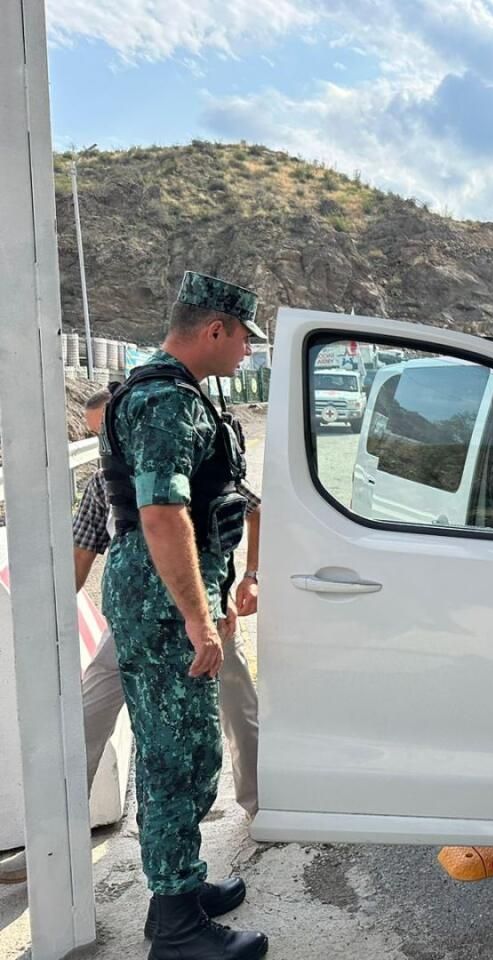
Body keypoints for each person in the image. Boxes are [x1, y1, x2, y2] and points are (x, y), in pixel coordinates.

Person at [0, 392, 262, 894]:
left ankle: (262, 808)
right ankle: (52, 840)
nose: (109, 445)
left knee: (235, 711)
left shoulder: (188, 462)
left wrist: (249, 576)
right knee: (85, 715)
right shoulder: (105, 482)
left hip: (207, 619)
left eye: (112, 433)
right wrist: (44, 626)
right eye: (100, 435)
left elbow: (253, 508)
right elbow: (80, 555)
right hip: (134, 625)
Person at [101, 271, 268, 960]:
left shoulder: (181, 394)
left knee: (187, 748)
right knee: (178, 758)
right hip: (163, 599)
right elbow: (163, 514)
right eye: (243, 341)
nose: (246, 354)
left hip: (168, 594)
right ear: (214, 329)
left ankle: (182, 886)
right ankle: (175, 927)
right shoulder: (167, 401)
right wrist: (199, 620)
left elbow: (222, 501)